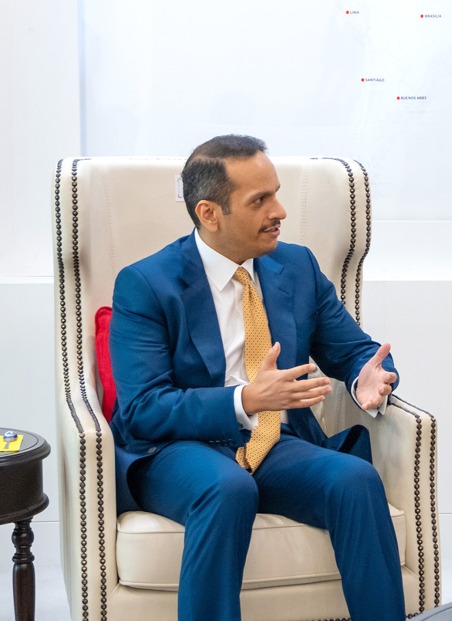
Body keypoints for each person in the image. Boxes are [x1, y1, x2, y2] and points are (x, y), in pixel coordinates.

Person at [109, 135, 405, 621]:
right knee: (228, 489)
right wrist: (245, 398)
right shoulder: (146, 284)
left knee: (354, 478)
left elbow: (355, 352)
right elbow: (143, 408)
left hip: (275, 446)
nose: (279, 210)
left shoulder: (297, 266)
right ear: (209, 213)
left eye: (277, 193)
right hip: (179, 449)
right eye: (259, 200)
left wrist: (367, 380)